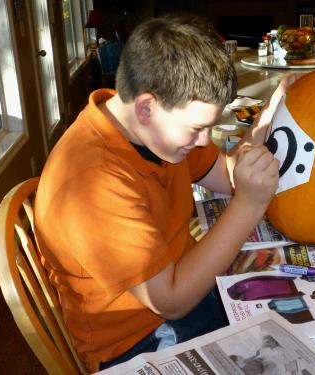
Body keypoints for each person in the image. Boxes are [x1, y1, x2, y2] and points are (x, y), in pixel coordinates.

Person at [34, 13, 298, 372]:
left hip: (185, 286)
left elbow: (227, 175)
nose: (205, 141)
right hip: (138, 338)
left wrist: (265, 123)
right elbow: (170, 303)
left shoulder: (153, 130)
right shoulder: (92, 183)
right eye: (196, 128)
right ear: (147, 107)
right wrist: (248, 205)